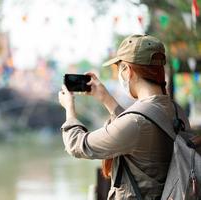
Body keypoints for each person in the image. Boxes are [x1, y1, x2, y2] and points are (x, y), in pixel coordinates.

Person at [58, 34, 190, 199]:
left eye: (119, 68)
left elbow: (78, 144)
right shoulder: (177, 112)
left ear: (128, 70)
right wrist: (106, 98)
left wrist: (69, 108)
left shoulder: (136, 123)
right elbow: (142, 128)